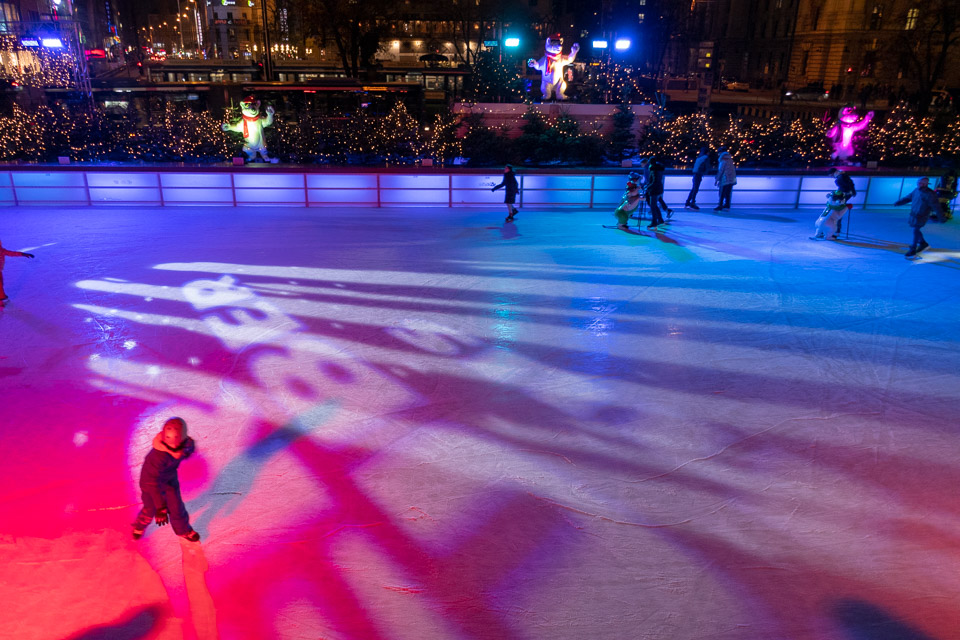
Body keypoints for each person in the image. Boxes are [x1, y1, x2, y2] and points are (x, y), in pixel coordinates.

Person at [132, 417, 201, 542]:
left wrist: (185, 451)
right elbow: (152, 484)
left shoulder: (185, 444)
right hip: (150, 485)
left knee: (176, 507)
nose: (175, 448)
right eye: (171, 446)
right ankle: (139, 526)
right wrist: (161, 508)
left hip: (169, 480)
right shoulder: (157, 457)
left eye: (178, 445)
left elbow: (189, 446)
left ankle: (183, 530)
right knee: (150, 509)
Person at [894, 177, 938, 259]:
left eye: (920, 183)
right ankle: (923, 243)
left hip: (922, 215)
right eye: (918, 182)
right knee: (916, 229)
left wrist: (941, 216)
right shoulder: (916, 190)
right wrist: (899, 202)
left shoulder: (930, 194)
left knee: (915, 230)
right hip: (914, 214)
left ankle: (913, 248)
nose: (918, 184)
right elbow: (908, 198)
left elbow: (936, 206)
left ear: (925, 184)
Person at [829, 167, 857, 234]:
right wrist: (852, 191)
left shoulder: (840, 178)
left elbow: (844, 187)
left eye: (830, 175)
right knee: (838, 210)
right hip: (846, 195)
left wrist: (838, 195)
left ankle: (837, 229)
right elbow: (850, 184)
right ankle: (837, 228)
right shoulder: (843, 175)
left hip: (844, 196)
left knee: (838, 210)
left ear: (833, 173)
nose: (831, 177)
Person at [645, 158, 667, 230]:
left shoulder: (654, 170)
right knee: (654, 206)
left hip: (654, 190)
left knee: (653, 207)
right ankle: (660, 220)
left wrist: (648, 187)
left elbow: (654, 181)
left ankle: (654, 222)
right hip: (658, 189)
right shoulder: (658, 169)